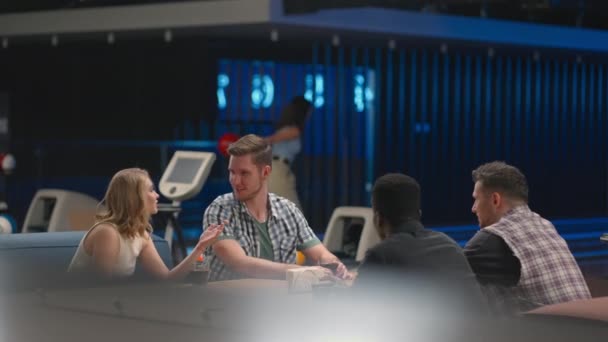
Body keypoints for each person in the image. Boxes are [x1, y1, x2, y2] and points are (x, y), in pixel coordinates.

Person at [203, 134, 350, 282]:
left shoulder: (288, 211)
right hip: (229, 303)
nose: (235, 181)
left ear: (265, 172)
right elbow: (240, 263)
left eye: (244, 173)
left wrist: (334, 264)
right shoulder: (220, 209)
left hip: (278, 303)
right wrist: (305, 272)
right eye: (232, 172)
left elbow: (321, 254)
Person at [464, 161, 590, 313]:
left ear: (495, 200)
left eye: (476, 199)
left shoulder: (490, 239)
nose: (473, 208)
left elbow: (441, 278)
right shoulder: (545, 225)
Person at [355, 173, 486, 313]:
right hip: (482, 332)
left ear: (378, 219)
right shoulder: (449, 245)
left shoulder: (380, 256)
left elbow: (353, 314)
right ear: (419, 214)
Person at [68, 168, 224, 280]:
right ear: (134, 197)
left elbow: (167, 280)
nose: (156, 195)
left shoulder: (141, 235)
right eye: (151, 190)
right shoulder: (107, 232)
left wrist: (200, 248)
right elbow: (100, 288)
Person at [265, 95, 312, 209]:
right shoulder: (293, 130)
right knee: (294, 214)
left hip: (280, 170)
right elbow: (268, 140)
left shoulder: (288, 128)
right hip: (278, 170)